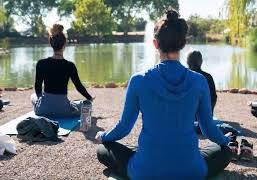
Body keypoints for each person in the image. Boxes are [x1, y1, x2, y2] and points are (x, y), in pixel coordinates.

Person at [95, 9, 232, 180]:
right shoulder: (199, 81)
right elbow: (208, 128)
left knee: (103, 149)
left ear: (155, 44)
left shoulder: (138, 80)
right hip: (191, 172)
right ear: (183, 43)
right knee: (224, 151)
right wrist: (225, 140)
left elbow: (124, 127)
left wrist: (103, 136)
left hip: (145, 172)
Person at [31, 24, 93, 118]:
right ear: (65, 44)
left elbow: (37, 87)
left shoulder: (41, 63)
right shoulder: (70, 66)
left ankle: (45, 106)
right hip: (64, 111)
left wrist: (42, 102)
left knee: (32, 96)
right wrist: (90, 98)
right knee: (85, 104)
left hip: (43, 111)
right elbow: (78, 86)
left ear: (51, 43)